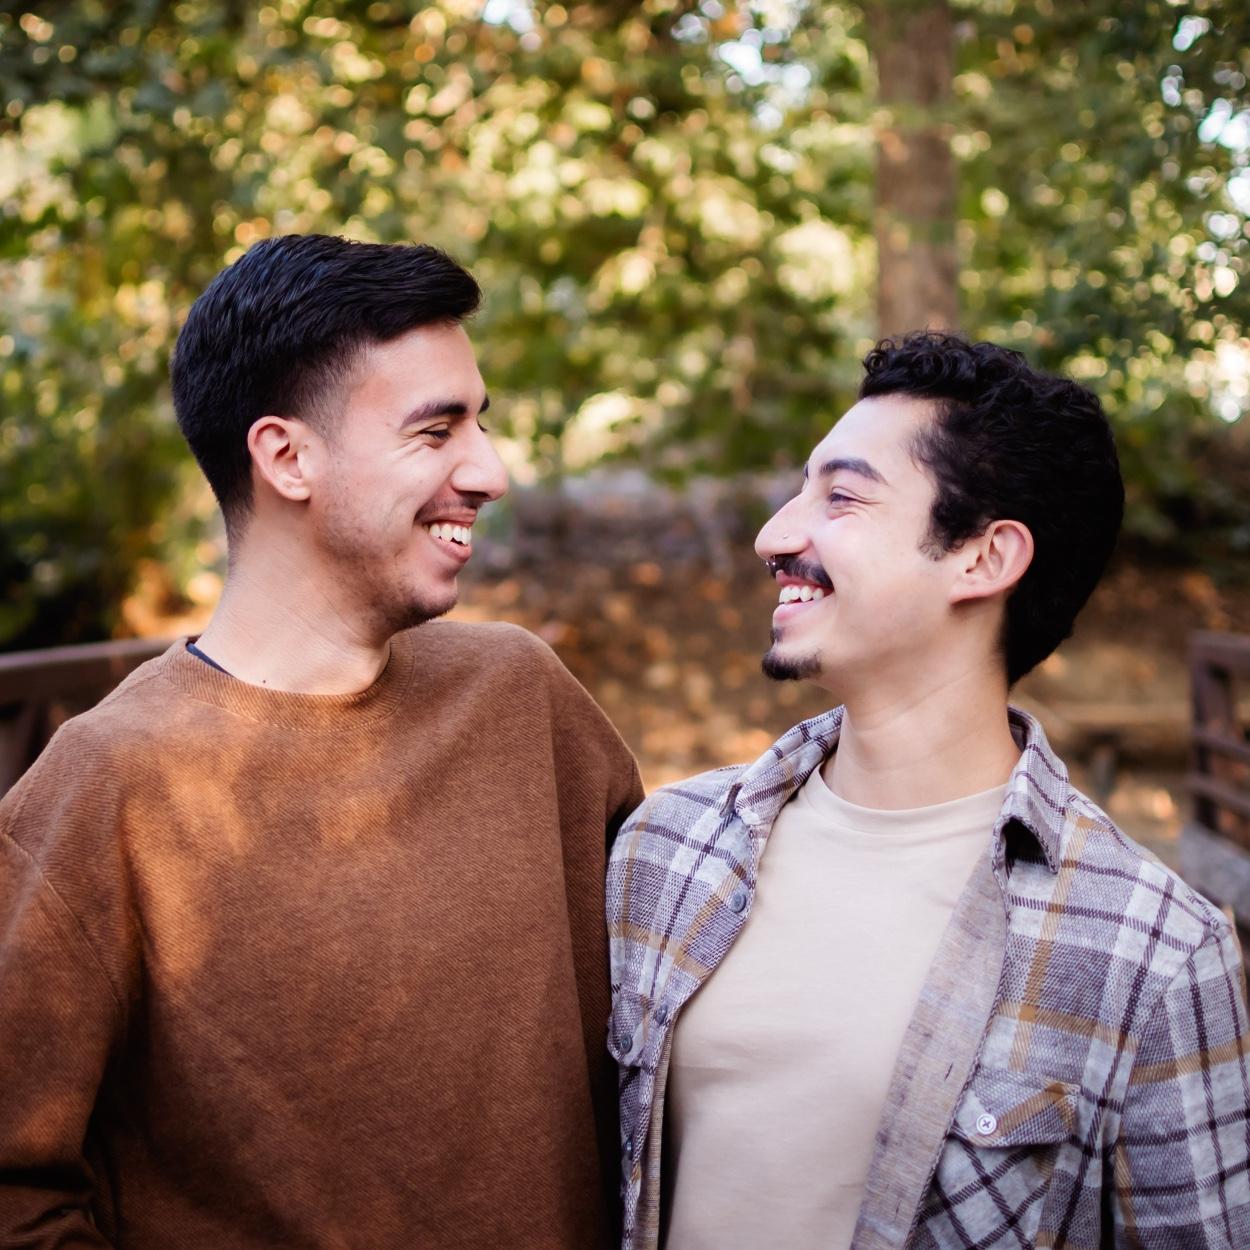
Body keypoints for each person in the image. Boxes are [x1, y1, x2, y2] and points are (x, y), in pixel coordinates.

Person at [0, 234, 642, 1248]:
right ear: (287, 457)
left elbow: (675, 1008)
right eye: (436, 430)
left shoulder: (524, 698)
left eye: (481, 423)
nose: (490, 469)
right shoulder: (106, 785)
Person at [607, 332, 1250, 1250]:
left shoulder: (1154, 952)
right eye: (800, 491)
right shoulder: (664, 849)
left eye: (841, 497)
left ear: (982, 559)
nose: (774, 536)